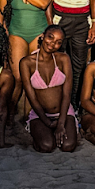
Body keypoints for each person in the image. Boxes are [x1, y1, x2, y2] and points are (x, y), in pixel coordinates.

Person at [20, 24, 78, 153]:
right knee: (46, 146)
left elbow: (67, 94)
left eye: (58, 42)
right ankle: (41, 133)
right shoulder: (26, 62)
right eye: (50, 37)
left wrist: (61, 123)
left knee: (67, 146)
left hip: (64, 112)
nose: (52, 43)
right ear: (42, 37)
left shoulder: (63, 59)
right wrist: (47, 122)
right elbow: (32, 97)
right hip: (40, 114)